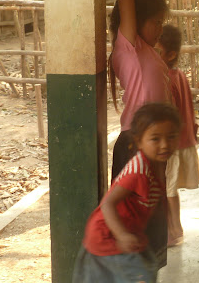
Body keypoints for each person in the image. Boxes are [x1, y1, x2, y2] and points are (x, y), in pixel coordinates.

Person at [107, 0, 171, 267]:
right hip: (135, 143)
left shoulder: (149, 52)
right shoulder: (129, 46)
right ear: (134, 21)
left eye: (162, 22)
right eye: (155, 21)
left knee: (152, 218)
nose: (160, 28)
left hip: (153, 144)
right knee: (135, 220)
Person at [72, 103, 181, 283]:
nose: (164, 145)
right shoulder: (139, 170)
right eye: (155, 139)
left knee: (147, 269)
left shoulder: (157, 163)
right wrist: (122, 234)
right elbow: (107, 204)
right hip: (109, 236)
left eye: (171, 137)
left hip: (130, 234)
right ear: (139, 141)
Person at [157, 25, 199, 246]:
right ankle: (173, 227)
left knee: (169, 190)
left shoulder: (166, 79)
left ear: (170, 55)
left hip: (173, 145)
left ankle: (175, 229)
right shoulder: (180, 75)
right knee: (170, 188)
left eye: (157, 52)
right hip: (183, 140)